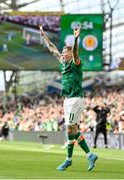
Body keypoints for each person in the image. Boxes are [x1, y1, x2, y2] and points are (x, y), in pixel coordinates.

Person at [39, 25, 98, 171]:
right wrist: (44, 35)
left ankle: (68, 160)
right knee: (73, 130)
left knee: (69, 129)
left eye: (65, 52)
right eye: (63, 52)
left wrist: (77, 38)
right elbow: (52, 48)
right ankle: (90, 155)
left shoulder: (75, 62)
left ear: (71, 54)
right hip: (68, 100)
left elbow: (76, 52)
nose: (63, 54)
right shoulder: (63, 62)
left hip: (76, 99)